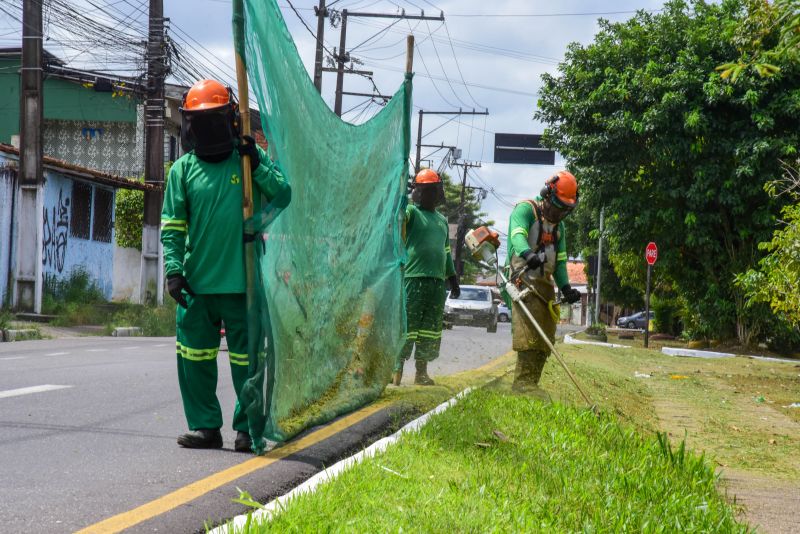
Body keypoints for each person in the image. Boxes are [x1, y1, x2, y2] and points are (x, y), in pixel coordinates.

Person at [160, 79, 291, 451]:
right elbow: (172, 227)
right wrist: (173, 270)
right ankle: (205, 427)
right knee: (194, 357)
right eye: (198, 122)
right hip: (197, 286)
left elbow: (283, 194)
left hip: (243, 283)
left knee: (247, 361)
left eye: (213, 120)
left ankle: (247, 427)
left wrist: (257, 164)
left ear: (231, 120)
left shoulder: (249, 160)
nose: (205, 128)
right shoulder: (182, 171)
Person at [506, 171, 581, 398]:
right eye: (558, 206)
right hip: (523, 280)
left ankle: (532, 382)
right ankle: (521, 383)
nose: (560, 213)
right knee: (528, 333)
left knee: (545, 336)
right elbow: (516, 235)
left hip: (545, 284)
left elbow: (559, 260)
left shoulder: (559, 227)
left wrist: (566, 288)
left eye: (565, 209)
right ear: (546, 195)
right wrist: (528, 254)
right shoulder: (526, 210)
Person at [393, 169, 460, 386]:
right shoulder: (412, 212)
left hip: (436, 283)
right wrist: (403, 197)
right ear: (419, 192)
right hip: (413, 278)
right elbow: (399, 218)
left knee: (430, 329)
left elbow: (447, 252)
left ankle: (421, 372)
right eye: (427, 191)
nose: (432, 195)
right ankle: (397, 369)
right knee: (408, 326)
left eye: (435, 191)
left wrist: (453, 278)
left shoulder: (441, 220)